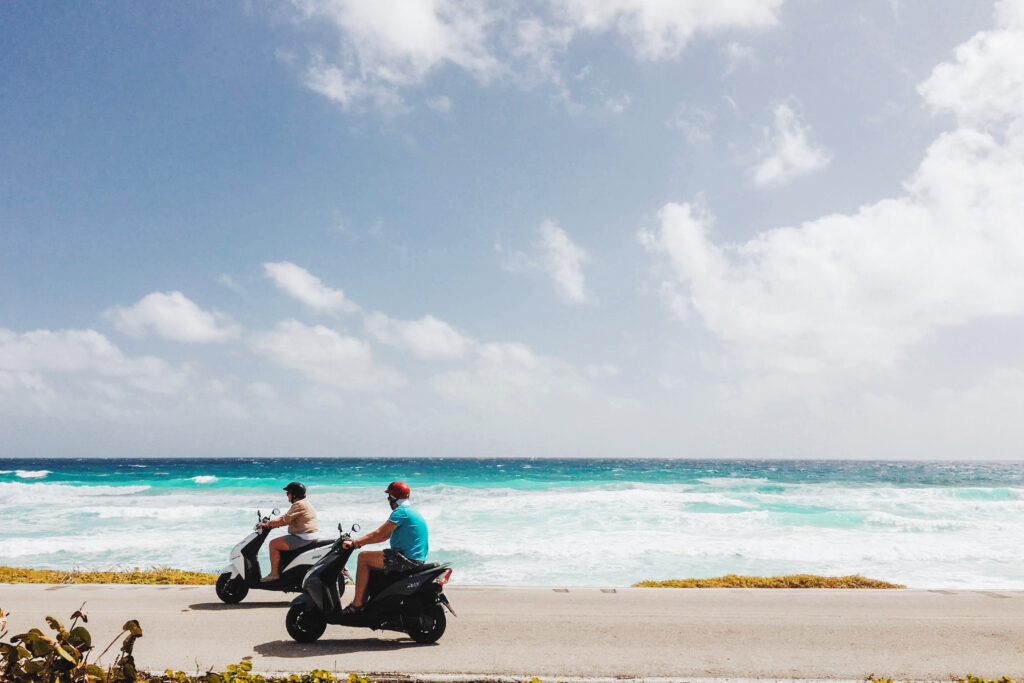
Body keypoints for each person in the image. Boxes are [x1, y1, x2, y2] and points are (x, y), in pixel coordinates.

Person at [340, 480, 428, 611]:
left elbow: (380, 534)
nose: (388, 501)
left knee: (363, 557)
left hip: (406, 560)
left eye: (389, 497)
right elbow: (385, 535)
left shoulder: (401, 512)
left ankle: (357, 604)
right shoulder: (412, 511)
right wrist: (363, 541)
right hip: (416, 559)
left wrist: (355, 543)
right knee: (373, 556)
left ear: (393, 498)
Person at [257, 481, 318, 581]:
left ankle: (274, 574)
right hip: (308, 535)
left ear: (294, 494)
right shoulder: (306, 503)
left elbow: (283, 520)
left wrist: (266, 524)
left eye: (288, 493)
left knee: (273, 544)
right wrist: (275, 524)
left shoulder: (299, 504)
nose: (287, 496)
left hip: (302, 537)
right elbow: (290, 520)